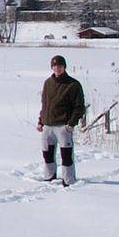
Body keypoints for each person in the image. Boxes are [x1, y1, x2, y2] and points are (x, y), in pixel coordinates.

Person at [36, 54, 85, 186]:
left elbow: (79, 107)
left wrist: (71, 123)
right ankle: (49, 177)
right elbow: (45, 104)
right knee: (47, 154)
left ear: (64, 67)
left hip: (63, 126)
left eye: (60, 66)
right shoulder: (48, 83)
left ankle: (68, 180)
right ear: (52, 67)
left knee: (66, 155)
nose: (57, 68)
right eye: (55, 66)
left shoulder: (73, 84)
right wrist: (41, 121)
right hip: (48, 125)